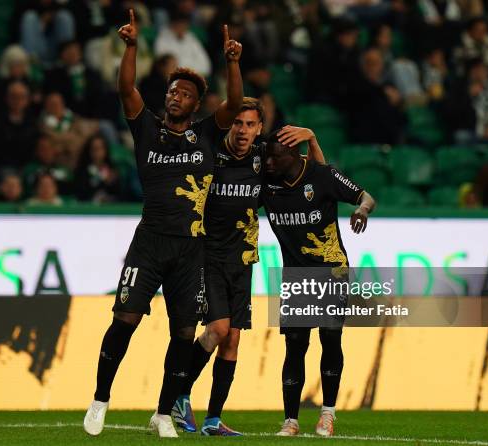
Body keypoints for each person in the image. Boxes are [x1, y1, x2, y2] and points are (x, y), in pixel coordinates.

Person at [83, 10, 244, 438]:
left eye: (186, 94)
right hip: (149, 242)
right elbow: (125, 89)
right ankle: (100, 399)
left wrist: (232, 62)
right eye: (173, 91)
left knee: (184, 333)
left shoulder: (208, 135)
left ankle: (160, 412)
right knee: (125, 320)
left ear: (195, 104)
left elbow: (233, 104)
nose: (177, 97)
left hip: (191, 249)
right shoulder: (147, 131)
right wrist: (132, 47)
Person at [171, 97, 325, 436]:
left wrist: (311, 139)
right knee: (219, 329)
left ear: (259, 129)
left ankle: (212, 419)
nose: (243, 131)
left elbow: (318, 178)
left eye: (250, 125)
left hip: (243, 258)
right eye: (238, 123)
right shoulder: (211, 153)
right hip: (207, 255)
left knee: (233, 339)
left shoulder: (264, 159)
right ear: (230, 124)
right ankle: (179, 396)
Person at [262, 131, 375, 437]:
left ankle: (327, 414)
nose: (269, 162)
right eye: (267, 156)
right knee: (295, 346)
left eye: (276, 157)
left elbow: (366, 196)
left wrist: (361, 210)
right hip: (296, 276)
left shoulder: (321, 176)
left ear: (295, 155)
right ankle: (291, 420)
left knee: (330, 338)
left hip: (332, 270)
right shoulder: (266, 180)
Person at [74, 134, 122, 203]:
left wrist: (111, 183)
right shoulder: (82, 171)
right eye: (94, 149)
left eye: (100, 148)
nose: (97, 152)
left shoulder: (112, 170)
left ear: (105, 150)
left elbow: (120, 195)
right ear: (89, 151)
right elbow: (80, 195)